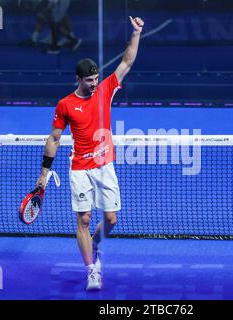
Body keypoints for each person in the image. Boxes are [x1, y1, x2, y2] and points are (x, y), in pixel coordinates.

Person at [36, 16, 144, 291]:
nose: (94, 84)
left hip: (105, 165)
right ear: (78, 79)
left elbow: (127, 62)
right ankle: (91, 270)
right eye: (89, 80)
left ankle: (97, 241)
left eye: (96, 79)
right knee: (83, 218)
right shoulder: (66, 104)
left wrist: (136, 33)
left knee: (110, 220)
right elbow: (55, 138)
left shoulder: (106, 90)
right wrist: (44, 174)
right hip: (80, 168)